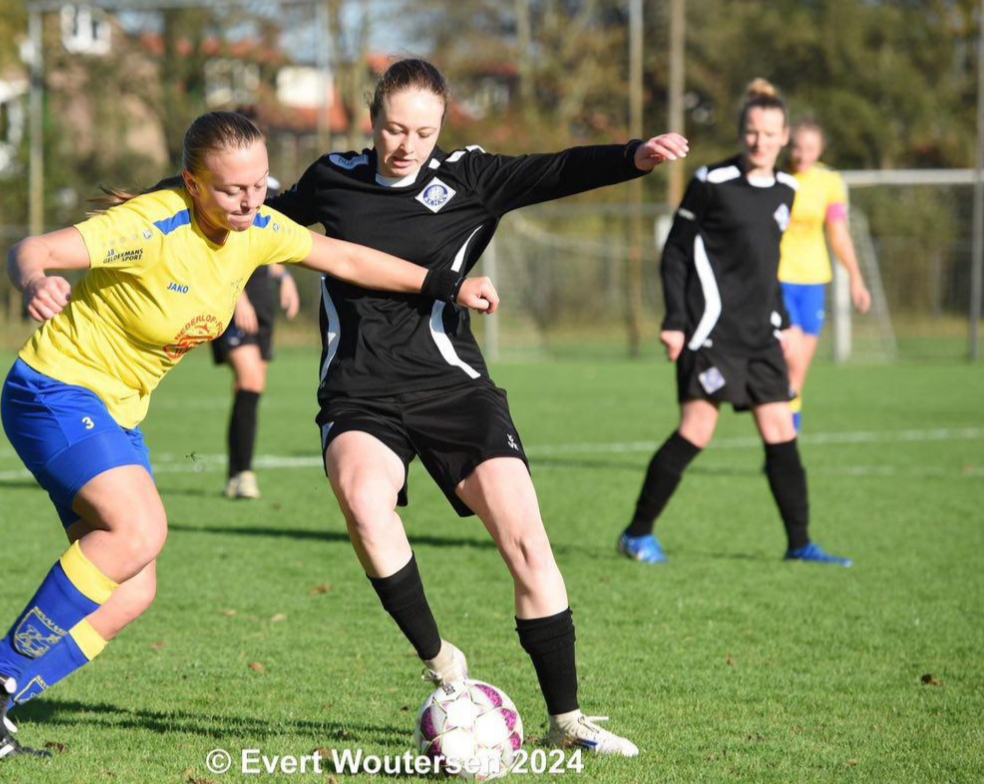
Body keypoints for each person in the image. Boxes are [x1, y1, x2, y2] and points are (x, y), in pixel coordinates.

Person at [0, 110, 499, 758]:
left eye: (260, 184)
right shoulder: (149, 224)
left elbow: (341, 256)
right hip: (53, 390)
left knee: (133, 589)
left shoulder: (255, 227)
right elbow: (32, 250)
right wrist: (35, 282)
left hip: (114, 411)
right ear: (193, 183)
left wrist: (447, 285)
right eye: (234, 189)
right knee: (139, 531)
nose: (252, 200)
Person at [268, 58, 687, 757]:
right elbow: (252, 211)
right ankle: (444, 666)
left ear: (442, 129)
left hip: (454, 387)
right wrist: (170, 202)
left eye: (423, 132)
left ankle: (568, 720)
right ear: (372, 120)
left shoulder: (469, 178)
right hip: (360, 389)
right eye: (394, 129)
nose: (406, 145)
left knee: (526, 539)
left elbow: (554, 170)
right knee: (364, 504)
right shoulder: (332, 178)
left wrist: (631, 158)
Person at [616, 79, 852, 568]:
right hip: (711, 334)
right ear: (741, 132)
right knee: (697, 430)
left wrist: (783, 322)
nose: (759, 141)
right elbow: (676, 252)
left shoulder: (788, 190)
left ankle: (800, 544)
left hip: (761, 337)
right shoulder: (711, 183)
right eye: (751, 132)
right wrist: (676, 321)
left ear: (784, 136)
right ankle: (637, 533)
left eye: (769, 133)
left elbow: (765, 266)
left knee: (781, 431)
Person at [211, 176, 300, 500]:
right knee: (250, 380)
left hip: (263, 306)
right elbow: (222, 251)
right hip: (233, 303)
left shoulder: (270, 193)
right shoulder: (228, 194)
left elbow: (265, 251)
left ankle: (237, 473)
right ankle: (242, 474)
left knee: (252, 386)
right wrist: (238, 299)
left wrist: (286, 278)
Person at [779, 120, 872, 431]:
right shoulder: (777, 178)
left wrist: (856, 277)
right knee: (790, 355)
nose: (801, 154)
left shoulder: (830, 182)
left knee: (800, 368)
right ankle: (783, 431)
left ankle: (787, 432)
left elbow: (839, 233)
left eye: (809, 148)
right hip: (778, 279)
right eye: (796, 147)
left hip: (814, 282)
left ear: (819, 151)